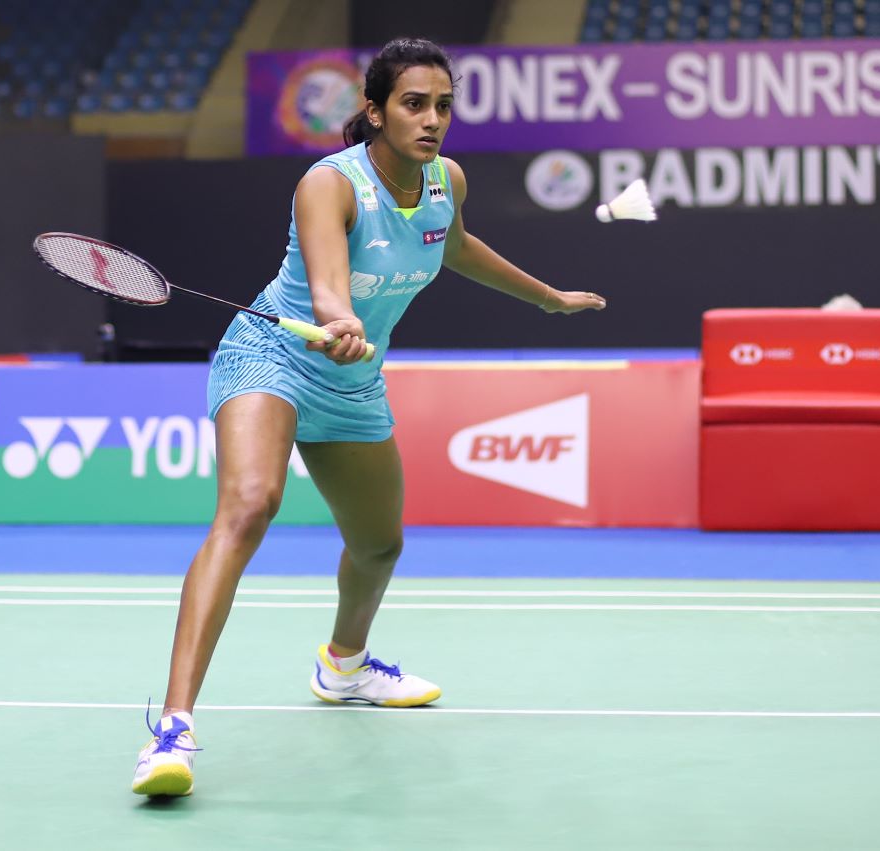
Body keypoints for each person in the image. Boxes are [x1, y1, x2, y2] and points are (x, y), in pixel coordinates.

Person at [132, 37, 606, 797]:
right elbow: (327, 281)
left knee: (380, 544)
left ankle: (344, 666)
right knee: (250, 505)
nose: (432, 119)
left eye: (443, 105)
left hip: (351, 381)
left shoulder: (447, 180)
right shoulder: (330, 183)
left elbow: (454, 246)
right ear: (376, 110)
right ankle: (172, 729)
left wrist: (547, 297)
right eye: (414, 104)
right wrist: (339, 317)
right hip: (274, 356)